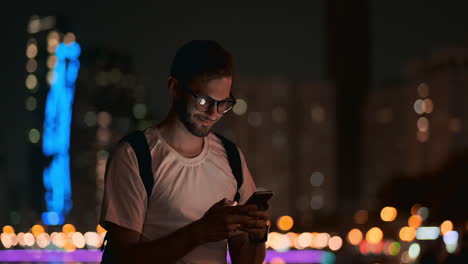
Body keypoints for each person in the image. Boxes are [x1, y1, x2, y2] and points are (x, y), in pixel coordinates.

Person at [99, 40, 270, 264]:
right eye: (203, 101)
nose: (213, 113)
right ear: (175, 88)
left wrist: (258, 238)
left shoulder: (231, 157)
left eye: (223, 104)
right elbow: (123, 259)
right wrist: (200, 232)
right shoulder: (136, 155)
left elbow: (245, 260)